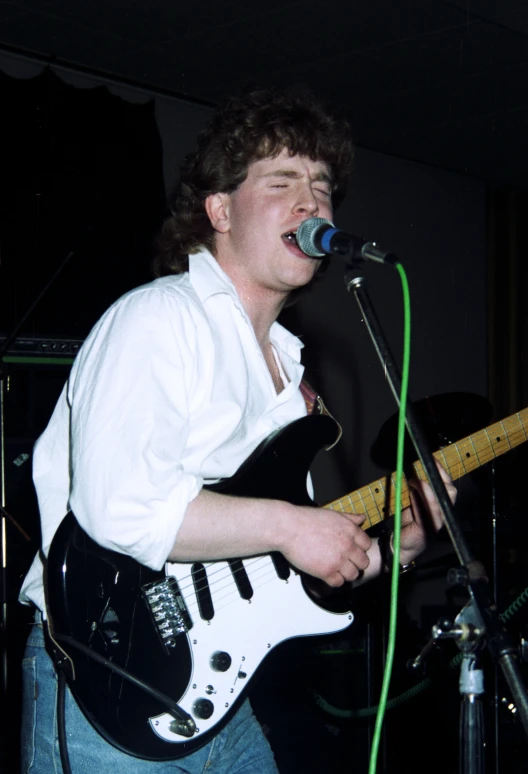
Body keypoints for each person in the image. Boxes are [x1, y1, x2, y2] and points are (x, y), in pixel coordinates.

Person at [19, 87, 455, 773]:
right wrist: (289, 525)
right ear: (219, 210)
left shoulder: (291, 375)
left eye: (322, 185)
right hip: (113, 669)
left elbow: (277, 567)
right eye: (282, 183)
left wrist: (389, 551)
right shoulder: (161, 319)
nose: (313, 203)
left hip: (222, 689)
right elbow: (121, 507)